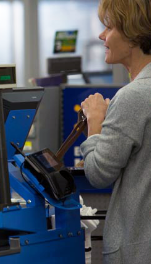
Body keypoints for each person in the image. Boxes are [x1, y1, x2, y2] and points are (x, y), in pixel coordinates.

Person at [80, 0, 151, 263]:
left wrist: (95, 123)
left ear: (133, 34)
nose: (102, 35)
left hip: (137, 249)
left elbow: (98, 174)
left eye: (108, 27)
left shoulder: (133, 96)